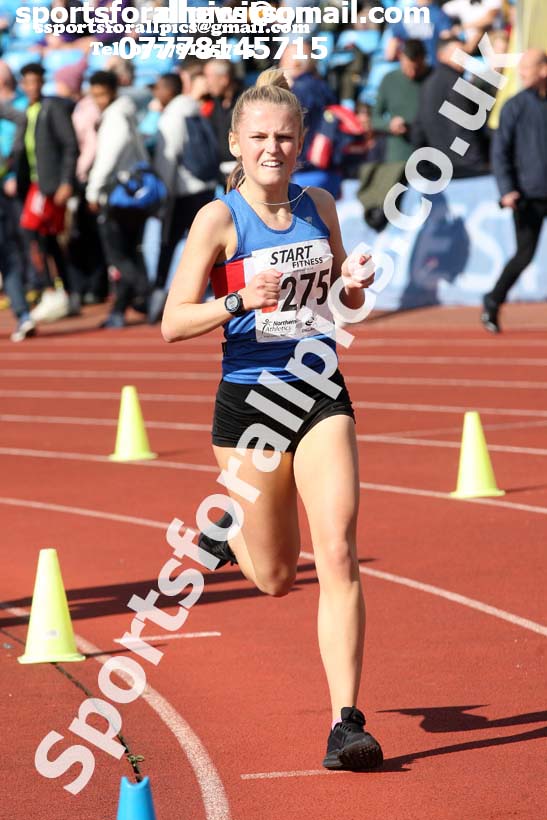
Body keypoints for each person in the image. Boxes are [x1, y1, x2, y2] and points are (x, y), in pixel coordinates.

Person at [161, 69, 383, 772]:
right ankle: (226, 532)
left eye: (284, 135)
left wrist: (354, 286)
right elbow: (170, 323)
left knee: (339, 549)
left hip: (317, 391)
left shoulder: (319, 203)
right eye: (259, 136)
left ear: (299, 139)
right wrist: (236, 303)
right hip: (250, 401)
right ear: (236, 141)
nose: (273, 147)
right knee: (278, 579)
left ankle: (345, 722)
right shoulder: (219, 220)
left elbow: (344, 296)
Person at [482, 49, 547, 333]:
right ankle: (493, 301)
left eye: (526, 69)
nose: (521, 74)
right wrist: (507, 190)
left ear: (543, 70)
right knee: (524, 255)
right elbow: (500, 153)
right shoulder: (514, 106)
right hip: (527, 196)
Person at [149, 67, 217, 324]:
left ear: (168, 89)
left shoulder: (172, 117)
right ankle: (213, 291)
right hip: (205, 186)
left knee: (167, 245)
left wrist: (162, 194)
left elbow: (168, 159)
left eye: (158, 88)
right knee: (208, 245)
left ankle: (158, 300)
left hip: (183, 192)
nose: (156, 93)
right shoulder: (195, 110)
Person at [86, 70, 150, 328]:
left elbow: (109, 156)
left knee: (118, 256)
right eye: (94, 95)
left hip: (118, 194)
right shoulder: (128, 112)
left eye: (102, 94)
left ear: (113, 91)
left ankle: (148, 291)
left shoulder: (115, 116)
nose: (98, 99)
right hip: (134, 193)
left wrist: (93, 189)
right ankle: (119, 310)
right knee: (129, 252)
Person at [18, 62, 79, 322]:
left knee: (36, 233)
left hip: (50, 185)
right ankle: (61, 290)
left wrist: (66, 181)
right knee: (45, 238)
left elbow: (69, 145)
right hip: (34, 184)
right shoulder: (27, 111)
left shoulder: (52, 107)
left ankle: (54, 289)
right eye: (27, 82)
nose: (32, 87)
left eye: (36, 82)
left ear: (42, 83)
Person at [372, 38, 431, 163]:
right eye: (408, 67)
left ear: (424, 59)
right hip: (399, 157)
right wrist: (389, 125)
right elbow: (374, 119)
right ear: (400, 58)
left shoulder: (434, 78)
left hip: (431, 154)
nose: (412, 73)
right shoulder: (389, 80)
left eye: (417, 68)